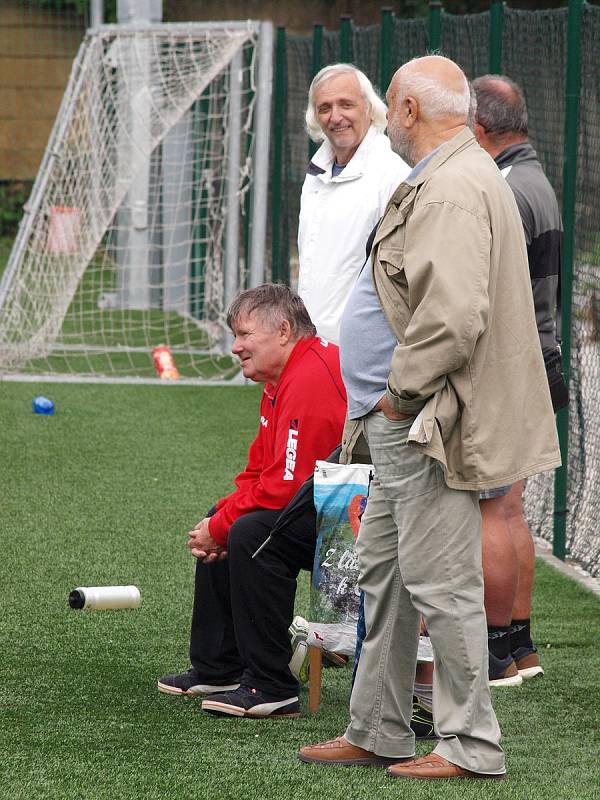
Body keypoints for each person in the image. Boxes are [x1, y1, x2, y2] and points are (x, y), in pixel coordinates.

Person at [299, 55, 560, 780]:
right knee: (383, 575)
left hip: (425, 422)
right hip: (412, 421)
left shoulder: (448, 186)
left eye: (390, 103)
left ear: (409, 110)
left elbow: (451, 319)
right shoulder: (458, 173)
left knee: (441, 583)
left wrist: (398, 394)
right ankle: (378, 727)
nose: (389, 114)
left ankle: (470, 745)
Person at [158, 284, 347, 718]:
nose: (235, 347)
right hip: (322, 503)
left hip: (357, 522)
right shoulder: (282, 376)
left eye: (244, 335)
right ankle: (219, 667)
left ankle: (271, 685)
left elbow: (287, 488)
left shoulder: (311, 377)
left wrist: (222, 529)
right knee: (228, 519)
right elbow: (259, 472)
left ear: (283, 330)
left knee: (251, 533)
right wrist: (217, 521)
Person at [471, 74, 563, 685]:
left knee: (490, 510)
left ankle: (495, 652)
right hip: (544, 361)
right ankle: (519, 645)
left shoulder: (505, 185)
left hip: (514, 368)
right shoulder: (537, 178)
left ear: (478, 129)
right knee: (511, 510)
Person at [297, 63, 409, 344]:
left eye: (346, 104)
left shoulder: (392, 175)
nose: (336, 117)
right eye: (324, 108)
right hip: (312, 343)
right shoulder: (315, 175)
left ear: (369, 109)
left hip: (363, 349)